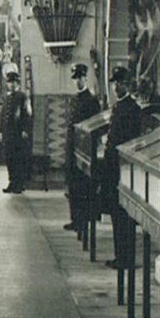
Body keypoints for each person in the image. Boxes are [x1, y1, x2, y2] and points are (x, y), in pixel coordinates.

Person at [102, 66, 142, 269]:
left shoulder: (132, 109)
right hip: (113, 168)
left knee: (124, 217)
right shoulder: (118, 107)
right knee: (117, 215)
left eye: (120, 82)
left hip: (123, 170)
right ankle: (120, 255)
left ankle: (126, 257)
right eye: (115, 82)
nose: (116, 86)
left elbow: (132, 142)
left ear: (127, 84)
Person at [65, 63, 101, 231]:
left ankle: (82, 221)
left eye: (80, 78)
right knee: (72, 184)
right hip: (72, 147)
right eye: (75, 78)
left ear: (85, 78)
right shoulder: (74, 99)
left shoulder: (91, 101)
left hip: (84, 150)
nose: (77, 81)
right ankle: (75, 219)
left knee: (81, 186)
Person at [0, 71, 31, 194]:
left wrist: (25, 130)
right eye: (9, 82)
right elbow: (3, 115)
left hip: (18, 134)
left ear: (17, 83)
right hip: (8, 134)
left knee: (18, 159)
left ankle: (19, 184)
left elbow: (27, 115)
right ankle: (12, 182)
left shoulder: (22, 97)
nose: (11, 85)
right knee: (9, 159)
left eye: (13, 82)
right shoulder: (7, 98)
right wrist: (1, 130)